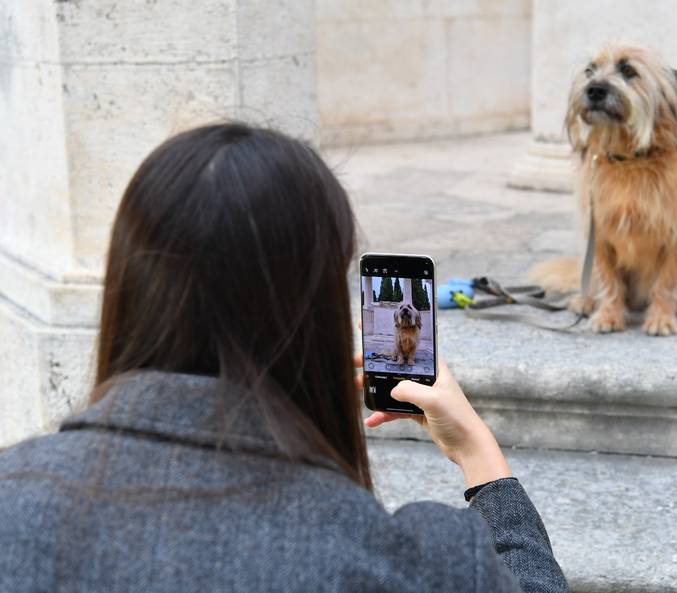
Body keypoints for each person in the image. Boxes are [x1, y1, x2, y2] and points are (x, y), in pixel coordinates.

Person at [0, 123, 569, 593]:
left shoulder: (13, 500)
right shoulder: (414, 561)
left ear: (129, 290)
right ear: (314, 311)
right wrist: (477, 452)